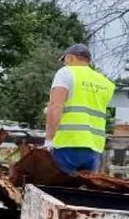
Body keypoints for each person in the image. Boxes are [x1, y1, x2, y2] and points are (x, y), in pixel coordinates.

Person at [45, 43, 116, 174]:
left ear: (71, 58)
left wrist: (49, 139)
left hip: (67, 143)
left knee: (60, 190)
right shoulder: (105, 83)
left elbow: (55, 107)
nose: (64, 64)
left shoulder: (66, 73)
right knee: (84, 190)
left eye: (64, 60)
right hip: (94, 147)